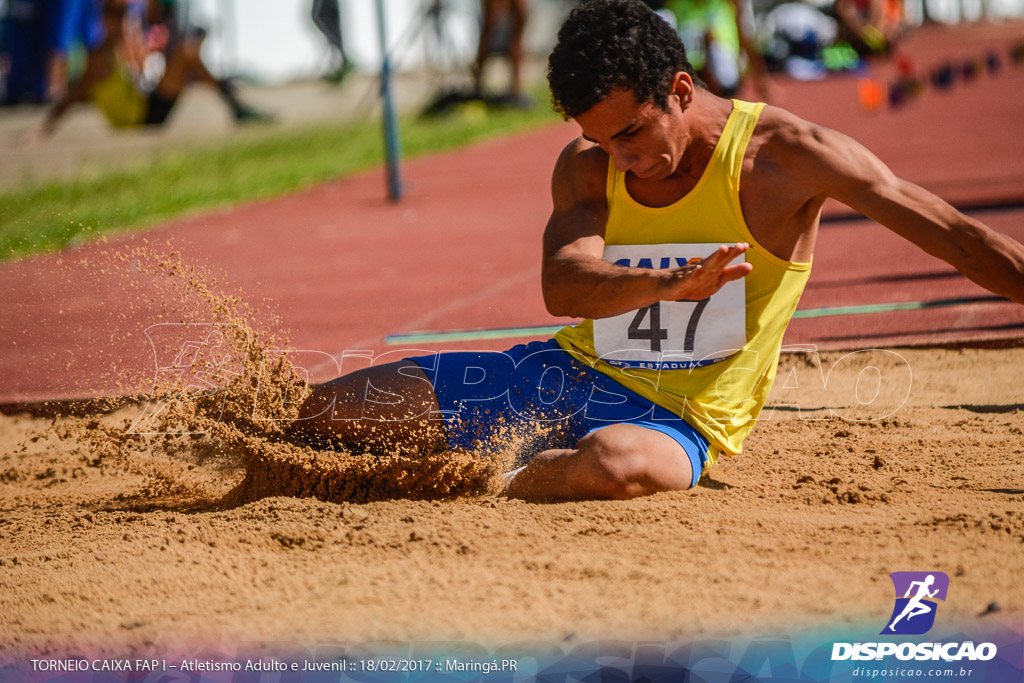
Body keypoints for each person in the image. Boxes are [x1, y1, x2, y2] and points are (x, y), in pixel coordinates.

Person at [293, 0, 1024, 502]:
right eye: (601, 138)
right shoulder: (588, 162)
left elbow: (959, 239)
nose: (621, 158)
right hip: (556, 374)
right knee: (323, 416)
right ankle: (499, 451)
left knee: (618, 468)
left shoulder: (789, 158)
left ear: (680, 89)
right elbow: (563, 283)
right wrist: (666, 284)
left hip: (674, 422)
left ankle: (492, 474)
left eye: (633, 134)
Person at [34, 0, 270, 138]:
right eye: (116, 18)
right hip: (143, 119)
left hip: (143, 108)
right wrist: (46, 126)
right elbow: (74, 96)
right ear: (103, 21)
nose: (122, 24)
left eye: (122, 18)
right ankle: (232, 101)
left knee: (186, 53)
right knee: (186, 53)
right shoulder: (99, 58)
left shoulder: (112, 50)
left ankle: (232, 101)